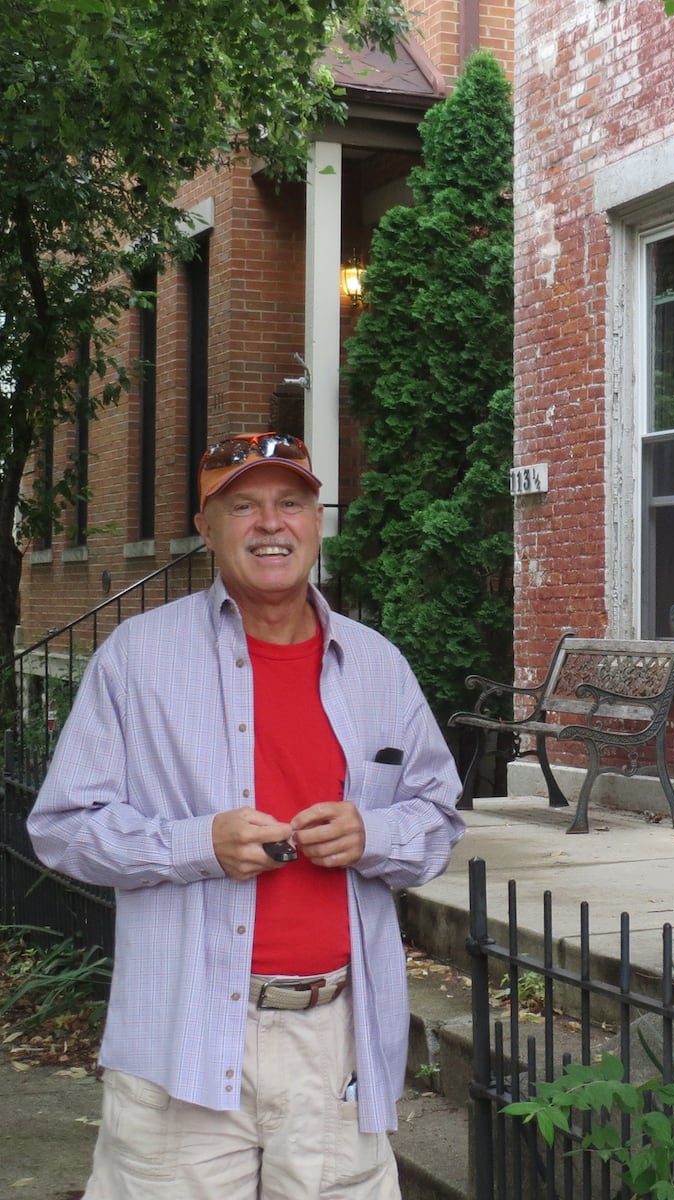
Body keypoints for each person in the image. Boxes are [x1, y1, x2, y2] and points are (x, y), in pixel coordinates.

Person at [28, 431, 464, 1199]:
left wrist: (375, 832)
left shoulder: (377, 666)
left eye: (290, 503)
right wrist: (199, 844)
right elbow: (62, 827)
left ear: (317, 520)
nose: (271, 523)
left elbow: (435, 814)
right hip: (180, 1040)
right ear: (207, 526)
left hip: (333, 1046)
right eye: (244, 505)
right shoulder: (137, 658)